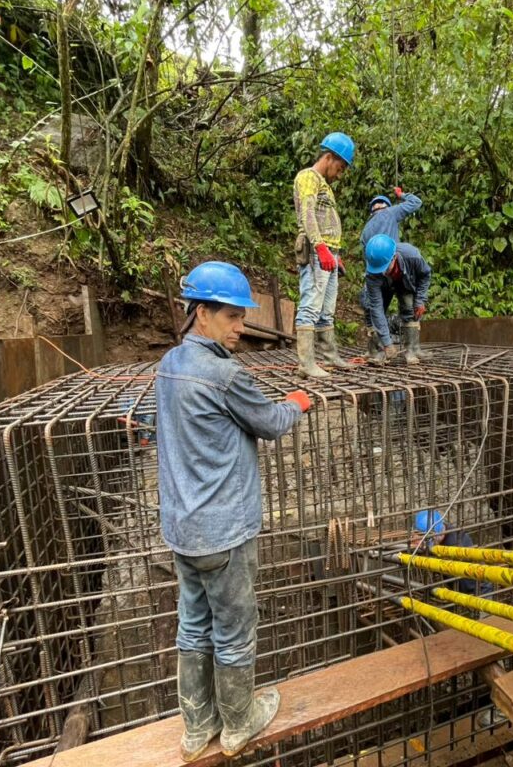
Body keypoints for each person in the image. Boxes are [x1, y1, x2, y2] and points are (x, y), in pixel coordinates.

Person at [156, 261, 313, 761]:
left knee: (193, 625)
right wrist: (297, 402)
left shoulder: (169, 364)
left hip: (182, 529)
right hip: (223, 530)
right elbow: (270, 422)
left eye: (242, 316)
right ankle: (238, 724)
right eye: (231, 316)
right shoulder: (224, 374)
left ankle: (197, 728)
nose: (240, 326)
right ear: (201, 313)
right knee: (234, 629)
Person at [293, 131, 356, 378]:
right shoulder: (309, 177)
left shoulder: (324, 185)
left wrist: (334, 255)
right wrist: (320, 247)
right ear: (329, 157)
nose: (340, 174)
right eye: (340, 168)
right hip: (316, 251)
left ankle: (330, 357)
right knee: (310, 306)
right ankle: (306, 364)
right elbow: (308, 213)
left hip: (329, 254)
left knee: (326, 311)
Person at [360, 234, 431, 364]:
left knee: (410, 308)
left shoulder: (412, 256)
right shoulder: (373, 271)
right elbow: (376, 308)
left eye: (385, 268)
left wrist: (420, 300)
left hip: (405, 281)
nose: (382, 272)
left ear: (394, 257)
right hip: (382, 285)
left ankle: (411, 350)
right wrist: (388, 343)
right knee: (370, 309)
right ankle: (378, 350)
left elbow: (425, 276)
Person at [411, 510, 494, 600]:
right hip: (460, 587)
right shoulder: (441, 528)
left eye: (423, 537)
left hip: (479, 589)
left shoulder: (455, 544)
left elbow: (438, 562)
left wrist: (423, 547)